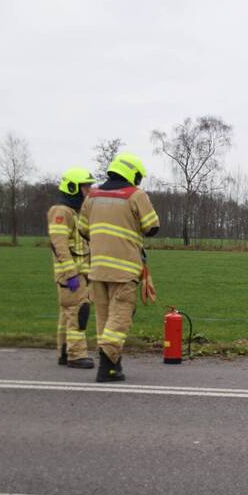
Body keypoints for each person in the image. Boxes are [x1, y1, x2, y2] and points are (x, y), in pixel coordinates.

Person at [78, 152, 159, 382]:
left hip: (97, 269)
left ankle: (111, 368)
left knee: (104, 318)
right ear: (132, 173)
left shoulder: (92, 196)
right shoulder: (135, 195)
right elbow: (153, 227)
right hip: (124, 269)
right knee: (120, 317)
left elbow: (83, 230)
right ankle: (107, 360)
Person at [48, 167, 96, 369]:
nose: (88, 191)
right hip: (71, 275)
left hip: (77, 273)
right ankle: (76, 355)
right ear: (73, 188)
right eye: (85, 187)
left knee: (67, 313)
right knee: (78, 312)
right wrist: (71, 274)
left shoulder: (72, 212)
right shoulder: (61, 212)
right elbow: (59, 245)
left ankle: (65, 352)